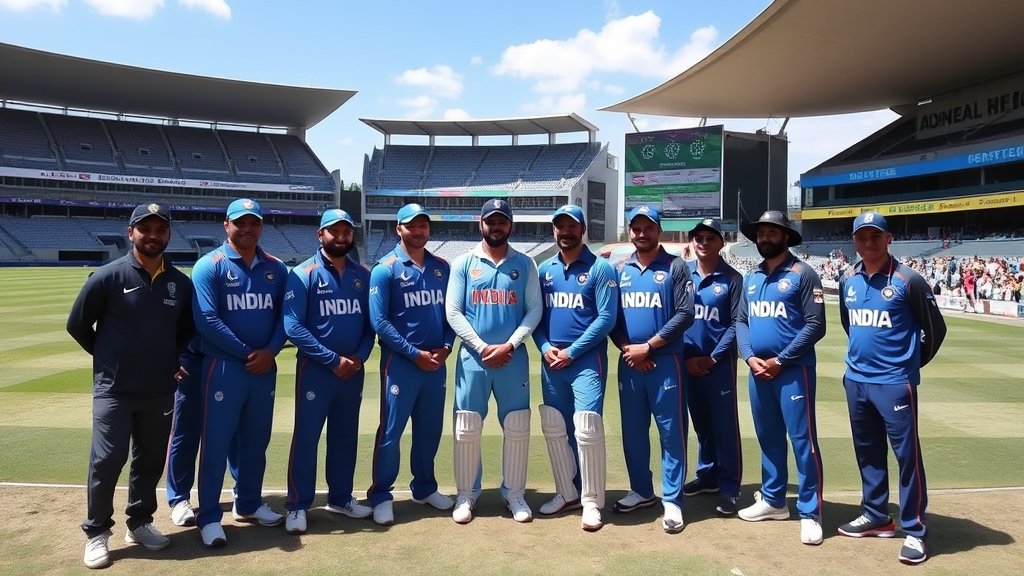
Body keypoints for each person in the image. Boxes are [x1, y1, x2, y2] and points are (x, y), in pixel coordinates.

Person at [67, 203, 194, 569]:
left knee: (150, 460)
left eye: (160, 229)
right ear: (130, 233)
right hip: (115, 389)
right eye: (145, 229)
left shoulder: (179, 283)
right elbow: (77, 324)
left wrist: (171, 359)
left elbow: (186, 330)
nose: (153, 235)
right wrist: (107, 357)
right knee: (107, 460)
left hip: (159, 390)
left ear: (169, 234)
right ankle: (97, 532)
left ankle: (139, 523)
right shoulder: (108, 277)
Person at [837, 212, 947, 565]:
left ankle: (915, 529)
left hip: (895, 384)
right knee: (867, 451)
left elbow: (936, 330)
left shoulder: (908, 280)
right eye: (862, 237)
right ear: (854, 241)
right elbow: (849, 324)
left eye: (876, 236)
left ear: (889, 238)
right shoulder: (847, 279)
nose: (868, 243)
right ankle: (876, 515)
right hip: (857, 380)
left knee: (907, 458)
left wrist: (908, 365)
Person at [191, 198, 288, 547]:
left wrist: (271, 351)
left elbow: (286, 317)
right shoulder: (209, 265)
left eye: (254, 223)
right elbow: (206, 320)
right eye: (240, 223)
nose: (247, 229)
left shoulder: (276, 268)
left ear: (261, 226)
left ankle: (248, 503)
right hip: (225, 367)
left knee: (256, 441)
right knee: (216, 443)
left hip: (264, 368)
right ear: (226, 225)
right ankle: (208, 516)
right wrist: (249, 353)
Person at [445, 198, 542, 524]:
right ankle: (466, 494)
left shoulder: (525, 263)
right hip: (474, 359)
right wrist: (482, 346)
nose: (496, 227)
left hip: (512, 359)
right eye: (491, 221)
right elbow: (453, 311)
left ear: (510, 225)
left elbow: (534, 310)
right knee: (467, 426)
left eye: (501, 221)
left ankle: (514, 494)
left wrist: (510, 345)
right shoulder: (464, 263)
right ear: (481, 223)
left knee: (517, 425)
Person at [735, 210, 826, 546]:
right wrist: (749, 357)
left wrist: (781, 359)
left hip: (793, 371)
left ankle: (811, 512)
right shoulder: (752, 277)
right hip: (759, 372)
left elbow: (816, 325)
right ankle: (773, 501)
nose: (764, 238)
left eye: (772, 232)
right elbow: (741, 322)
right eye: (761, 233)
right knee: (768, 437)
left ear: (786, 236)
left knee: (803, 441)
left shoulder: (804, 274)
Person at [282, 209, 376, 534]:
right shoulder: (303, 274)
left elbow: (370, 326)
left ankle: (341, 497)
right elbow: (293, 326)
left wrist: (359, 358)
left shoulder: (362, 275)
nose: (341, 237)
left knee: (345, 436)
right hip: (317, 370)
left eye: (346, 232)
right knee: (307, 437)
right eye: (333, 231)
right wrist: (333, 360)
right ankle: (297, 504)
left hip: (352, 372)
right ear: (320, 235)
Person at [367, 203, 456, 525]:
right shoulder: (385, 269)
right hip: (401, 363)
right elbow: (380, 322)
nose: (418, 231)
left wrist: (446, 347)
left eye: (423, 226)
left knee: (429, 430)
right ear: (399, 229)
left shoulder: (441, 267)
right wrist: (414, 353)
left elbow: (452, 313)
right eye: (411, 226)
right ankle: (381, 495)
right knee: (391, 432)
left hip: (435, 362)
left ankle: (425, 487)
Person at [608, 205, 694, 533]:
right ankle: (642, 490)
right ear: (630, 231)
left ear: (659, 230)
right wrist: (628, 348)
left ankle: (672, 499)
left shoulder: (676, 267)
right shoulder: (619, 269)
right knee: (633, 430)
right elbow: (611, 318)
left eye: (648, 228)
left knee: (671, 432)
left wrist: (650, 346)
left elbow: (685, 314)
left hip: (665, 361)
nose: (642, 234)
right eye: (637, 228)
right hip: (630, 361)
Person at [533, 204, 618, 531]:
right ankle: (567, 492)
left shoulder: (600, 269)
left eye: (572, 226)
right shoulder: (545, 270)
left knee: (586, 427)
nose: (566, 232)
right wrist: (545, 348)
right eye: (560, 226)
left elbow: (606, 319)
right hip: (552, 362)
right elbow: (536, 317)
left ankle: (592, 501)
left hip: (585, 362)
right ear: (554, 230)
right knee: (556, 428)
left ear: (582, 230)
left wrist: (572, 351)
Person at [681, 218, 744, 516]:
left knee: (724, 427)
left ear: (722, 242)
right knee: (702, 423)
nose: (703, 242)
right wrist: (686, 357)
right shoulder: (682, 274)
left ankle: (730, 488)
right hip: (686, 361)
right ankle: (707, 476)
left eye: (710, 238)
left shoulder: (732, 279)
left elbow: (737, 324)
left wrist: (713, 357)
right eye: (699, 238)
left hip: (718, 365)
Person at [165, 337, 240, 527]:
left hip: (229, 358)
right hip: (191, 358)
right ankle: (179, 498)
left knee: (234, 428)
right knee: (186, 430)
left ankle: (242, 495)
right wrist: (171, 357)